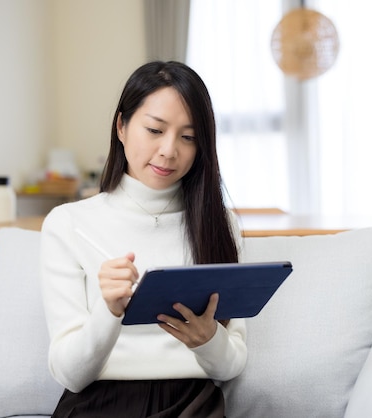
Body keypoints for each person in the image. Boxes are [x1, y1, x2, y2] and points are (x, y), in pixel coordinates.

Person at [40, 61, 247, 418]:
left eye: (188, 137)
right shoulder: (68, 223)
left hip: (193, 404)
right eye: (154, 129)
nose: (169, 150)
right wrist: (109, 312)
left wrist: (209, 340)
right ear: (121, 126)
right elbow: (70, 375)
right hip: (97, 404)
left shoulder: (219, 223)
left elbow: (231, 365)